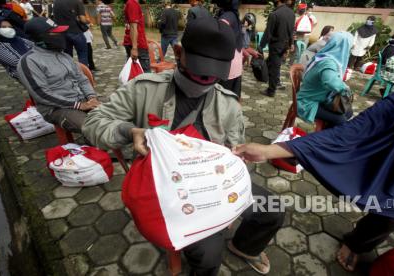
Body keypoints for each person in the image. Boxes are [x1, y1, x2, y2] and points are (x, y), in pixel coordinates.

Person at [233, 35, 394, 272]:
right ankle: (357, 244)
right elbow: (354, 130)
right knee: (387, 211)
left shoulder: (325, 60)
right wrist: (271, 150)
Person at [82, 17, 284, 276]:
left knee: (273, 210)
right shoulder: (143, 90)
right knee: (209, 255)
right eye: (200, 70)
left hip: (215, 183)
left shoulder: (228, 104)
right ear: (179, 53)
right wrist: (127, 131)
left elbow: (236, 150)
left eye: (214, 75)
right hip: (168, 188)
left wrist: (236, 189)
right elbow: (94, 123)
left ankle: (245, 246)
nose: (205, 80)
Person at [17, 17, 99, 133]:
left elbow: (82, 80)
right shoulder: (29, 61)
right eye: (55, 33)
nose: (61, 36)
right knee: (94, 128)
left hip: (82, 100)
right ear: (40, 37)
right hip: (57, 109)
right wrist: (79, 105)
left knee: (121, 112)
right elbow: (42, 94)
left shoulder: (64, 55)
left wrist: (91, 98)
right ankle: (92, 148)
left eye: (61, 32)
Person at [296, 32, 353, 127]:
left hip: (312, 98)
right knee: (341, 120)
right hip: (307, 104)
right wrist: (346, 89)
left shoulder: (323, 55)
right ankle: (325, 139)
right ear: (344, 47)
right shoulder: (328, 63)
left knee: (348, 112)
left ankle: (324, 134)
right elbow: (331, 81)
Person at [258, 0, 295, 97]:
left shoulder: (275, 14)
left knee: (274, 67)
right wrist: (291, 44)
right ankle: (271, 80)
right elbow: (292, 31)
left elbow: (268, 33)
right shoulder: (291, 13)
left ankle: (271, 90)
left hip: (276, 45)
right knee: (272, 64)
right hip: (285, 44)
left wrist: (261, 46)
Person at [215, 0, 243, 98]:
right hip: (236, 65)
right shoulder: (234, 14)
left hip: (227, 66)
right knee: (233, 98)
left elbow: (219, 35)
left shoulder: (227, 16)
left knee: (223, 100)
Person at [0, 15, 32, 79]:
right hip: (24, 75)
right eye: (4, 27)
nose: (8, 29)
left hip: (38, 69)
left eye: (10, 27)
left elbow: (36, 47)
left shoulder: (18, 39)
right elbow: (15, 62)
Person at [53, 0, 89, 66]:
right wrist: (88, 21)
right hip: (75, 31)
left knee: (67, 56)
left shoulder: (56, 2)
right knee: (82, 54)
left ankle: (71, 73)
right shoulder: (77, 2)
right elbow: (82, 19)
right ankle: (84, 74)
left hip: (62, 32)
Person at [123, 0, 150, 72]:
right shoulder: (132, 3)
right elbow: (133, 27)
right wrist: (134, 48)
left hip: (136, 43)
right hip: (138, 45)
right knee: (145, 77)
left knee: (135, 73)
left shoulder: (132, 3)